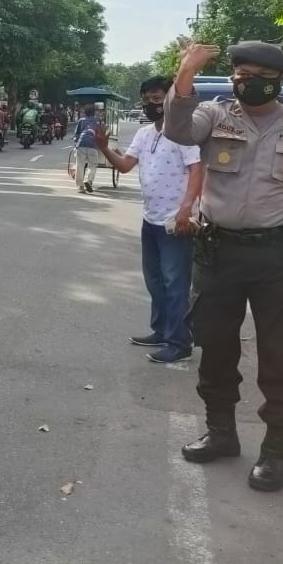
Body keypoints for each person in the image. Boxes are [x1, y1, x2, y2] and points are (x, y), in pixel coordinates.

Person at [164, 40, 283, 493]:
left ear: (275, 80)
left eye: (252, 76)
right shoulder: (214, 115)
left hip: (276, 257)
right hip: (219, 253)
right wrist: (184, 74)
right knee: (216, 345)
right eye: (238, 75)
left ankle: (276, 452)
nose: (242, 83)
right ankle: (222, 433)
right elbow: (177, 130)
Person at [92, 77, 204, 364]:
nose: (151, 104)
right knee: (155, 280)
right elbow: (127, 166)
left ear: (169, 101)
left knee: (175, 282)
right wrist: (105, 148)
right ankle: (162, 330)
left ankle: (179, 342)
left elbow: (196, 170)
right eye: (147, 99)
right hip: (150, 219)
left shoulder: (183, 133)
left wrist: (186, 209)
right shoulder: (144, 134)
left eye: (157, 99)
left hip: (175, 221)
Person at [73, 104, 102, 192]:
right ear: (94, 112)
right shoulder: (98, 121)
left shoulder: (81, 120)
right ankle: (89, 181)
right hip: (93, 144)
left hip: (81, 144)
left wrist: (76, 141)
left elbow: (77, 134)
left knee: (80, 165)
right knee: (92, 165)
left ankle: (80, 187)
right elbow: (100, 133)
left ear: (85, 112)